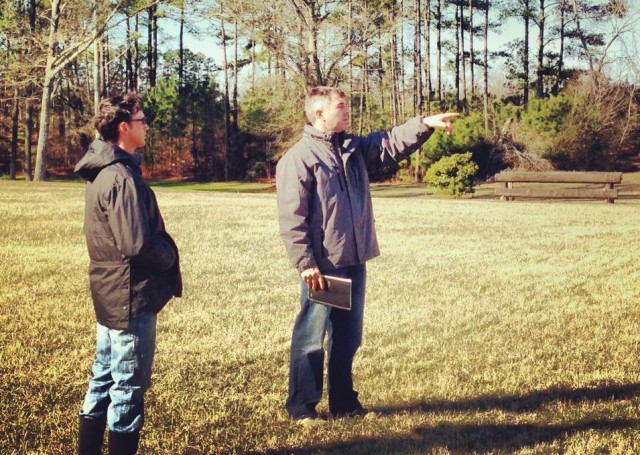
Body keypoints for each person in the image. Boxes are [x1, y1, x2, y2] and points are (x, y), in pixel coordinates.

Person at [276, 86, 458, 424]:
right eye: (341, 107)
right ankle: (301, 407)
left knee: (348, 337)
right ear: (319, 113)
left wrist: (425, 124)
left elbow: (389, 142)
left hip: (353, 260)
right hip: (323, 266)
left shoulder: (352, 148)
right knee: (311, 338)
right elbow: (292, 218)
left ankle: (344, 403)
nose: (347, 112)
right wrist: (306, 263)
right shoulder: (298, 159)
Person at [74, 92, 182, 454]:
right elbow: (136, 245)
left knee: (103, 378)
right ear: (124, 127)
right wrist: (169, 254)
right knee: (128, 389)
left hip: (111, 296)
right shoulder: (120, 177)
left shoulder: (104, 172)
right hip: (129, 297)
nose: (147, 124)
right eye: (142, 119)